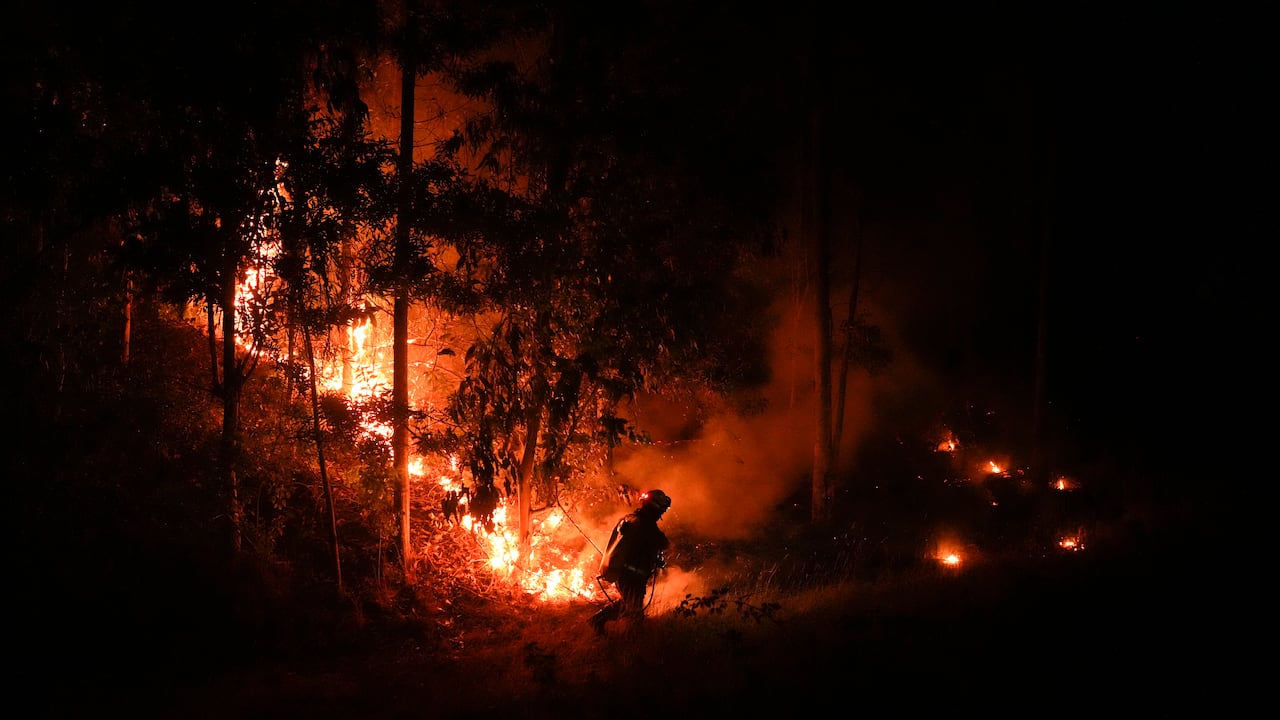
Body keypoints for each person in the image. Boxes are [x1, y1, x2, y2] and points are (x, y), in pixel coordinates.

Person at [590, 489, 672, 634]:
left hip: (623, 573)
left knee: (628, 602)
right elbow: (663, 542)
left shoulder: (629, 518)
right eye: (662, 510)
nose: (662, 514)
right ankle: (632, 643)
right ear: (655, 508)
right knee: (635, 613)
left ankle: (598, 619)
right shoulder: (647, 525)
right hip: (632, 577)